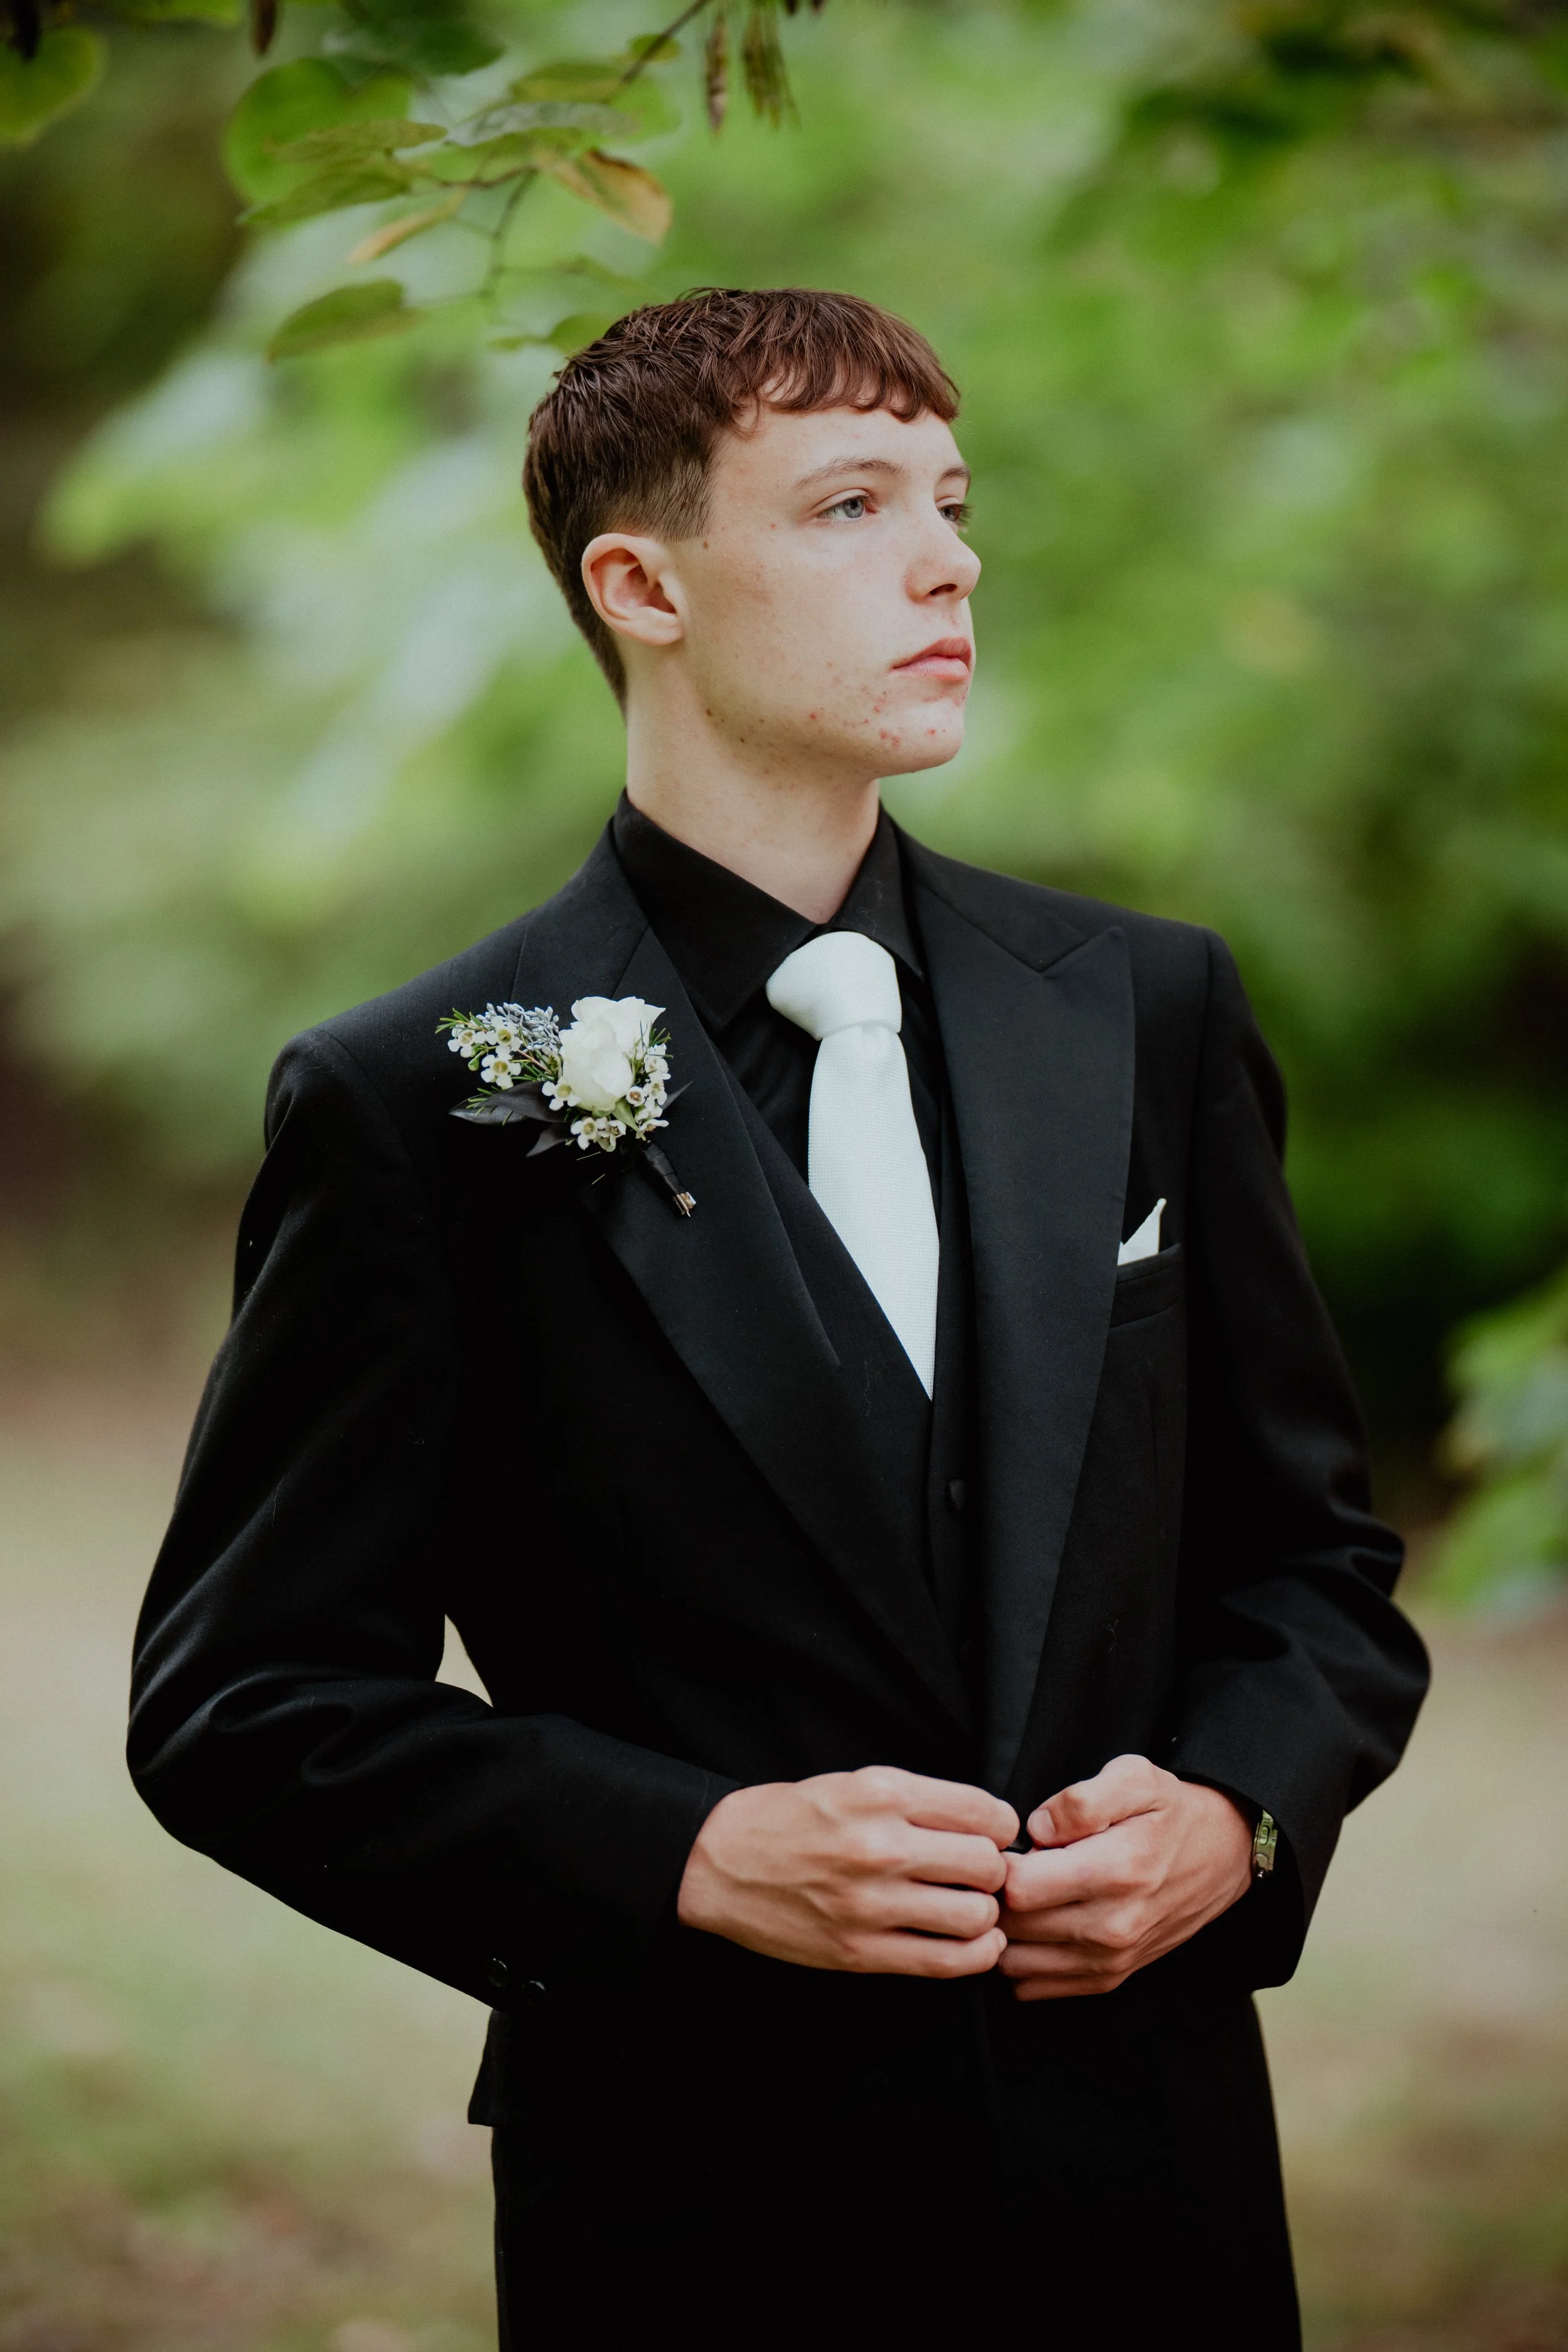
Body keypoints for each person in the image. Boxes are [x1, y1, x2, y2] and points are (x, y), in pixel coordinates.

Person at [129, 287, 1429, 2347]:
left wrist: (1234, 1813)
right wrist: (691, 1850)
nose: (948, 558)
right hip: (694, 2198)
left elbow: (1314, 1576)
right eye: (846, 503)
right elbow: (247, 1708)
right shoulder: (417, 1098)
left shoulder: (1144, 1010)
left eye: (951, 499)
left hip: (1147, 2171)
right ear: (637, 582)